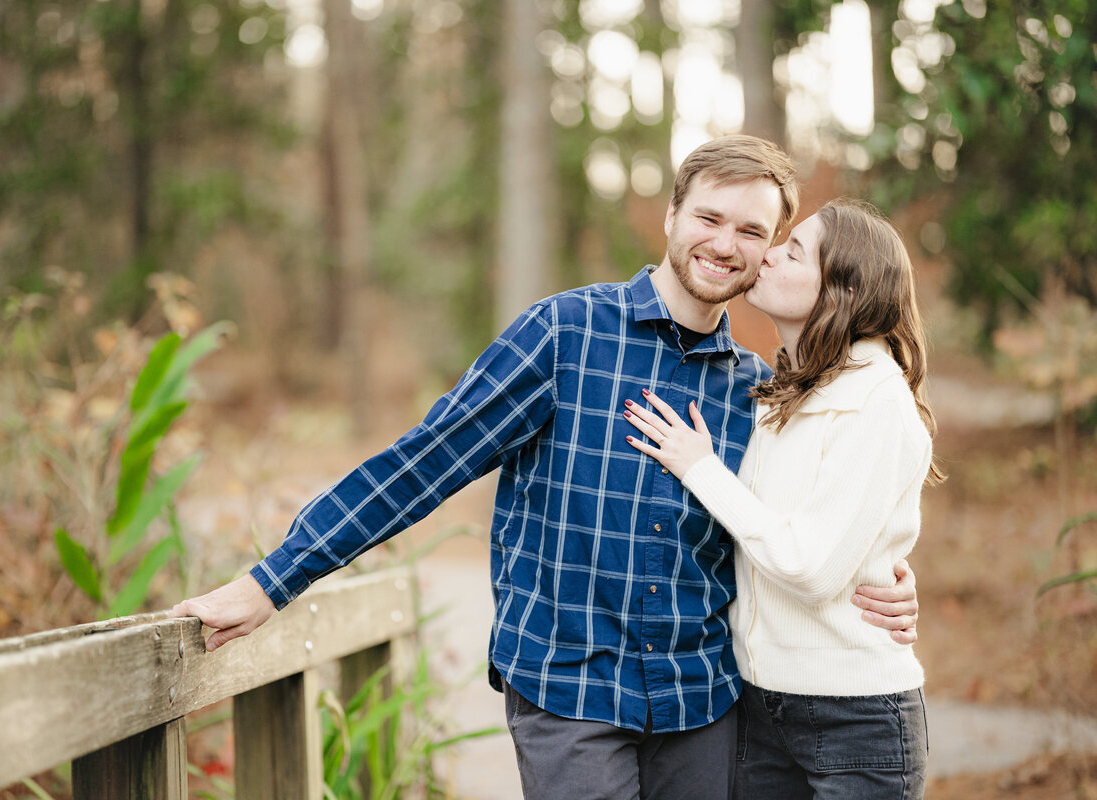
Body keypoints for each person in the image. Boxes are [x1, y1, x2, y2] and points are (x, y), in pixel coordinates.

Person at [169, 137, 920, 800]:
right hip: (571, 697)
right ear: (671, 217)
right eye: (709, 218)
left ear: (768, 248)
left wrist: (885, 577)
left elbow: (801, 522)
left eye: (753, 231)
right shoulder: (563, 335)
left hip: (705, 706)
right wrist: (273, 581)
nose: (725, 244)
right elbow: (419, 466)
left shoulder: (755, 390)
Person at [623, 197, 941, 798]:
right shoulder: (780, 394)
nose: (766, 255)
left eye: (793, 251)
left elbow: (813, 567)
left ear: (839, 291)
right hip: (761, 708)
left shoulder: (876, 400)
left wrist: (701, 469)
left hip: (855, 722)